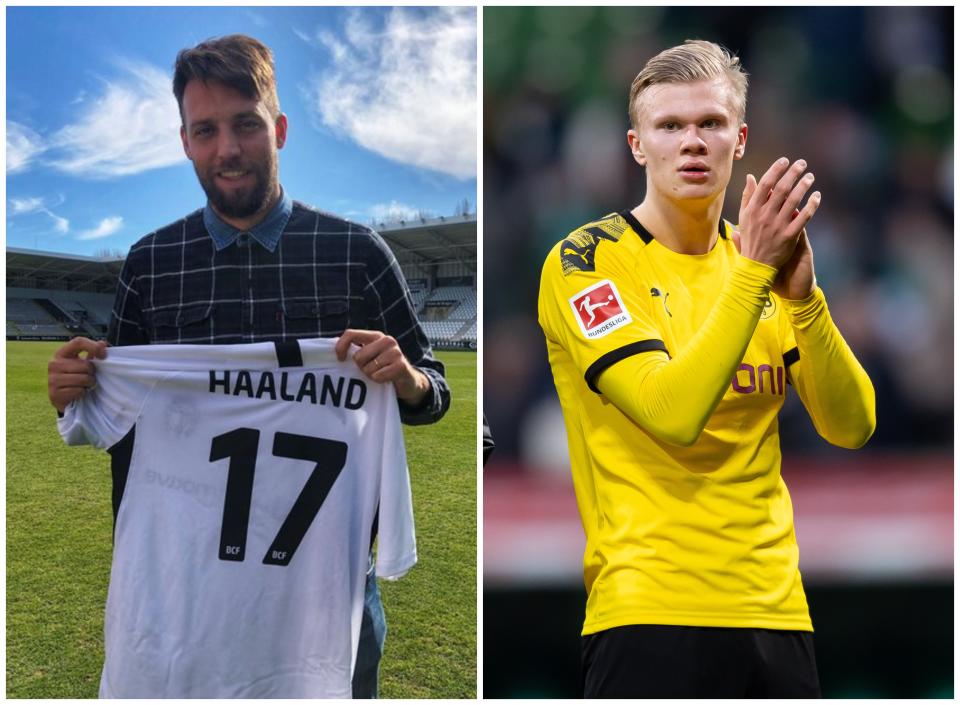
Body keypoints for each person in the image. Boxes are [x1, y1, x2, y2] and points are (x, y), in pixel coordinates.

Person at [47, 34, 451, 698]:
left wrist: (405, 379)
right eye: (205, 130)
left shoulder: (356, 253)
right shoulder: (151, 264)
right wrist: (74, 395)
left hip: (328, 581)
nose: (226, 148)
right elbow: (116, 421)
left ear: (280, 128)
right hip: (186, 587)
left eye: (245, 124)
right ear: (184, 141)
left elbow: (434, 390)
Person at [537, 39, 875, 698]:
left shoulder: (761, 269)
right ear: (637, 144)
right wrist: (753, 276)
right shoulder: (588, 262)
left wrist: (805, 301)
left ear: (739, 138)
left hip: (777, 613)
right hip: (648, 614)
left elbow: (852, 425)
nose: (692, 141)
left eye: (710, 123)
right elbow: (672, 412)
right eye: (669, 126)